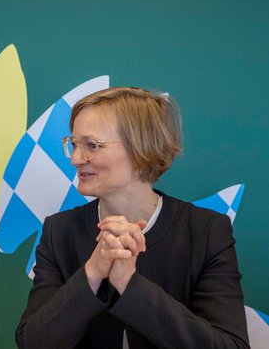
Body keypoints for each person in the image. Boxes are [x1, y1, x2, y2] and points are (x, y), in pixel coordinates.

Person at [16, 87, 250, 348]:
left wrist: (130, 284)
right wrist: (92, 273)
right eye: (74, 144)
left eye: (92, 145)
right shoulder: (58, 231)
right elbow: (32, 342)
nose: (76, 159)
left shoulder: (206, 232)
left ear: (141, 149)